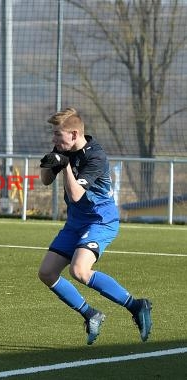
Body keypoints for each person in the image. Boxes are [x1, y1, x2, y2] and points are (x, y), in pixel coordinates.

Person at [38, 107, 152, 345]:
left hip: (101, 221)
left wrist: (66, 165)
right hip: (76, 223)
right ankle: (91, 314)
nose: (53, 140)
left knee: (79, 270)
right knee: (47, 273)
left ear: (74, 134)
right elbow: (47, 181)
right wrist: (50, 163)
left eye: (58, 135)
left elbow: (77, 194)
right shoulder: (63, 147)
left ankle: (136, 305)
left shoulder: (95, 157)